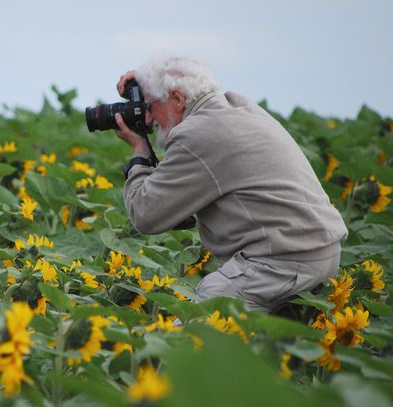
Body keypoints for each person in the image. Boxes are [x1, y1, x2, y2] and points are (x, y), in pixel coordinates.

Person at [113, 55, 348, 313]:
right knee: (271, 347)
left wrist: (139, 151)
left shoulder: (197, 134)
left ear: (178, 99)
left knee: (190, 337)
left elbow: (146, 214)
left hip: (280, 264)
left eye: (148, 107)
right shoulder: (238, 107)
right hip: (317, 252)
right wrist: (148, 85)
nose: (146, 120)